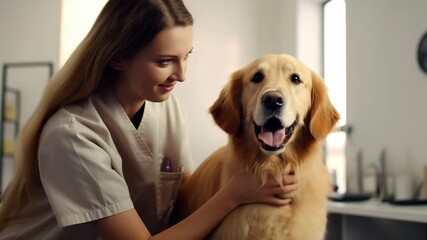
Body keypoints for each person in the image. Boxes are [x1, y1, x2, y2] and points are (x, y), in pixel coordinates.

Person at [0, 0, 297, 239]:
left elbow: (183, 196)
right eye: (165, 61)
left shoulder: (167, 109)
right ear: (117, 57)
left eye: (187, 56)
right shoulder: (73, 134)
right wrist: (232, 194)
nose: (181, 75)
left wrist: (251, 168)